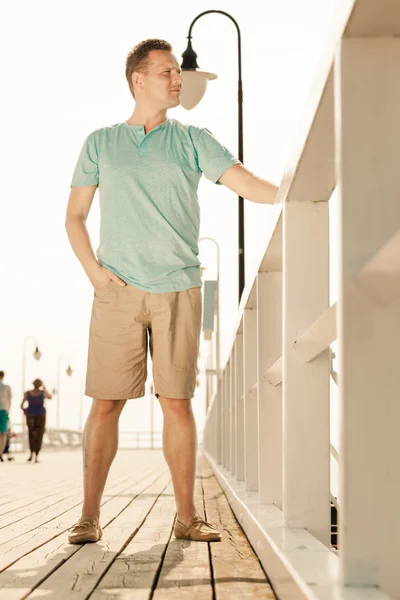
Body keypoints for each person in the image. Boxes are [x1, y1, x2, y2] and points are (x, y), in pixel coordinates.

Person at [65, 38, 278, 545]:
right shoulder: (101, 142)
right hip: (116, 291)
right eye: (167, 73)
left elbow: (244, 181)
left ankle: (186, 517)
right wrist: (95, 274)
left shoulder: (192, 139)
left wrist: (300, 189)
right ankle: (89, 516)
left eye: (176, 74)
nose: (177, 79)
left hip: (179, 288)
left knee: (176, 403)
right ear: (139, 80)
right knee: (105, 405)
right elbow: (74, 218)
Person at [20, 378, 52, 463]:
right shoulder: (42, 393)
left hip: (30, 415)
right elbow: (50, 397)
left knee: (31, 435)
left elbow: (21, 405)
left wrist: (25, 411)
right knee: (39, 435)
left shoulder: (27, 393)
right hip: (41, 416)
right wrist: (44, 388)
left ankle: (31, 454)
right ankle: (36, 456)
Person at [0, 371, 12, 460]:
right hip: (4, 410)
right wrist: (8, 411)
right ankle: (0, 452)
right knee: (3, 433)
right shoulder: (6, 387)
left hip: (4, 410)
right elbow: (9, 400)